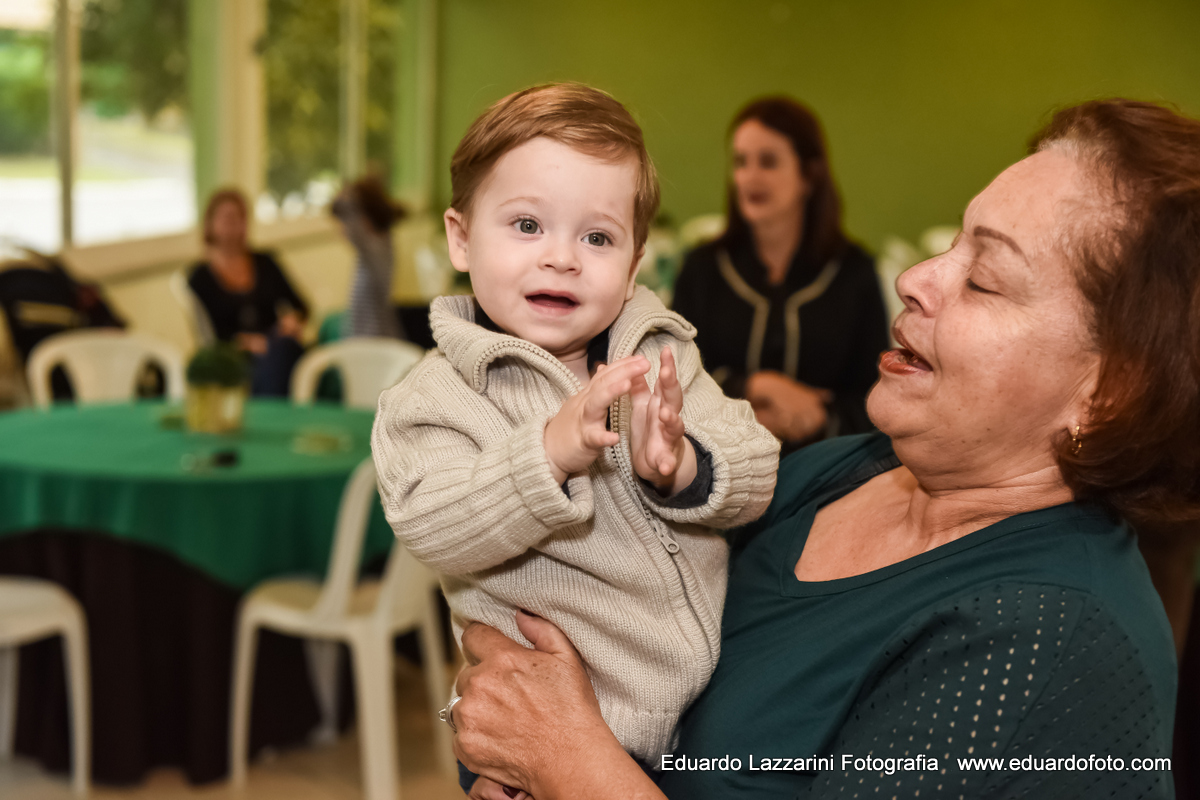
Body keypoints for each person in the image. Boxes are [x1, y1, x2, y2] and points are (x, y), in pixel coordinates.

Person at [447, 99, 1197, 800]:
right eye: (952, 244)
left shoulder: (1053, 644)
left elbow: (567, 737)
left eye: (986, 280)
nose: (914, 280)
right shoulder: (854, 468)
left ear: (1110, 393)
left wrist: (565, 759)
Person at [369, 83, 780, 795]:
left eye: (597, 237)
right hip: (546, 728)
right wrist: (550, 452)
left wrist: (681, 466)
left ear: (633, 263)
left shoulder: (660, 356)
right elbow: (432, 524)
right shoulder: (432, 398)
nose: (562, 257)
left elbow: (758, 469)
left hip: (702, 714)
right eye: (527, 225)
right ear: (461, 238)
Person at [673, 98, 889, 450]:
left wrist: (817, 417)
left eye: (768, 161)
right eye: (741, 162)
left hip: (825, 472)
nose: (751, 177)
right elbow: (675, 375)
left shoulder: (854, 273)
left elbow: (877, 398)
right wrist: (755, 389)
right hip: (714, 466)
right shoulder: (703, 268)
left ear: (808, 175)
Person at [188, 188, 309, 396]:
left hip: (276, 343)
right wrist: (248, 343)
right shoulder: (199, 277)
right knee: (275, 362)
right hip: (236, 355)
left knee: (286, 351)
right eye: (226, 217)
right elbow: (210, 336)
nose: (233, 224)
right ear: (210, 224)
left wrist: (291, 319)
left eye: (239, 217)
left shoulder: (265, 262)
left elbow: (300, 306)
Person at [330, 174, 407, 339]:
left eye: (345, 221)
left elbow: (346, 209)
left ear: (363, 220)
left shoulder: (375, 248)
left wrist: (347, 195)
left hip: (375, 342)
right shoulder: (378, 246)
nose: (343, 228)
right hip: (364, 337)